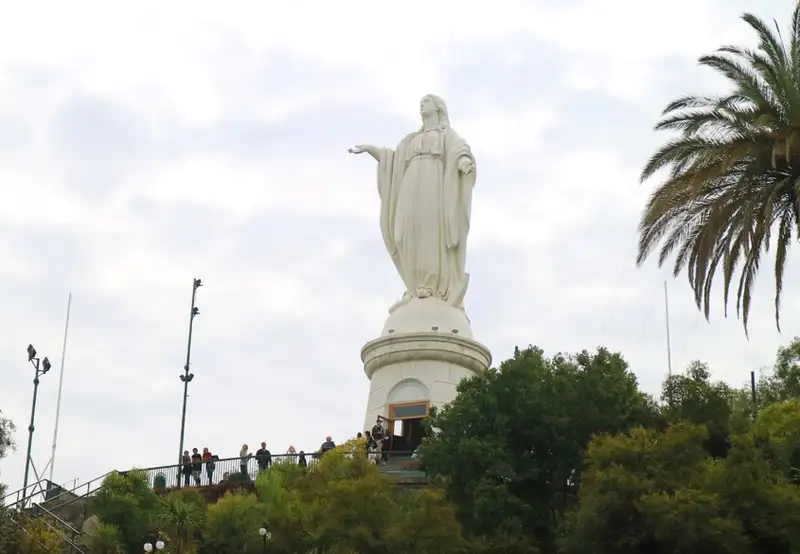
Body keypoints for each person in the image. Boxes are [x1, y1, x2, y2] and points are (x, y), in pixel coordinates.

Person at [348, 94, 477, 311]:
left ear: (438, 108)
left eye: (427, 101)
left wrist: (464, 164)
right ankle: (413, 286)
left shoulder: (446, 135)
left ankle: (430, 286)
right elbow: (393, 160)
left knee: (428, 232)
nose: (422, 104)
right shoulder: (411, 140)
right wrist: (371, 149)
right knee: (403, 233)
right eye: (421, 102)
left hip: (433, 183)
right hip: (410, 185)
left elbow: (460, 152)